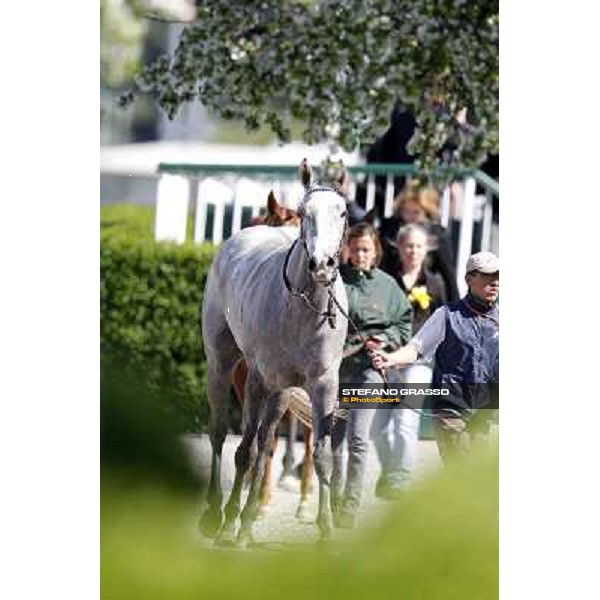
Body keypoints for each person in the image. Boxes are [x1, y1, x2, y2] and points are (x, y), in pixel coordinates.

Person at [371, 251, 499, 462]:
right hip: (452, 409)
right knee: (460, 473)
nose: (495, 282)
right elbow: (416, 348)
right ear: (469, 279)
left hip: (487, 414)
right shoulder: (446, 315)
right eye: (487, 276)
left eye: (498, 277)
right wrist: (390, 359)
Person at [332, 223, 413, 527]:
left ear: (375, 250)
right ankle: (333, 502)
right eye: (355, 250)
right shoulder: (335, 281)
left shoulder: (388, 285)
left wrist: (385, 340)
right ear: (347, 251)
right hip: (337, 370)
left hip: (370, 371)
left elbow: (405, 322)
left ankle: (349, 508)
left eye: (366, 250)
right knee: (333, 442)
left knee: (357, 438)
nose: (360, 255)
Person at [370, 224, 447, 498]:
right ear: (398, 248)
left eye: (418, 246)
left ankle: (399, 480)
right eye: (408, 246)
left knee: (405, 420)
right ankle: (390, 471)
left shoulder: (435, 282)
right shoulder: (386, 280)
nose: (413, 251)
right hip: (387, 360)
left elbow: (443, 323)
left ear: (426, 250)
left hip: (419, 363)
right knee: (377, 427)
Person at [380, 182, 460, 302]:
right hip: (393, 293)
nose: (410, 217)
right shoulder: (390, 230)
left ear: (426, 212)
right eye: (406, 211)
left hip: (427, 297)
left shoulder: (437, 234)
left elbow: (448, 276)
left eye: (416, 212)